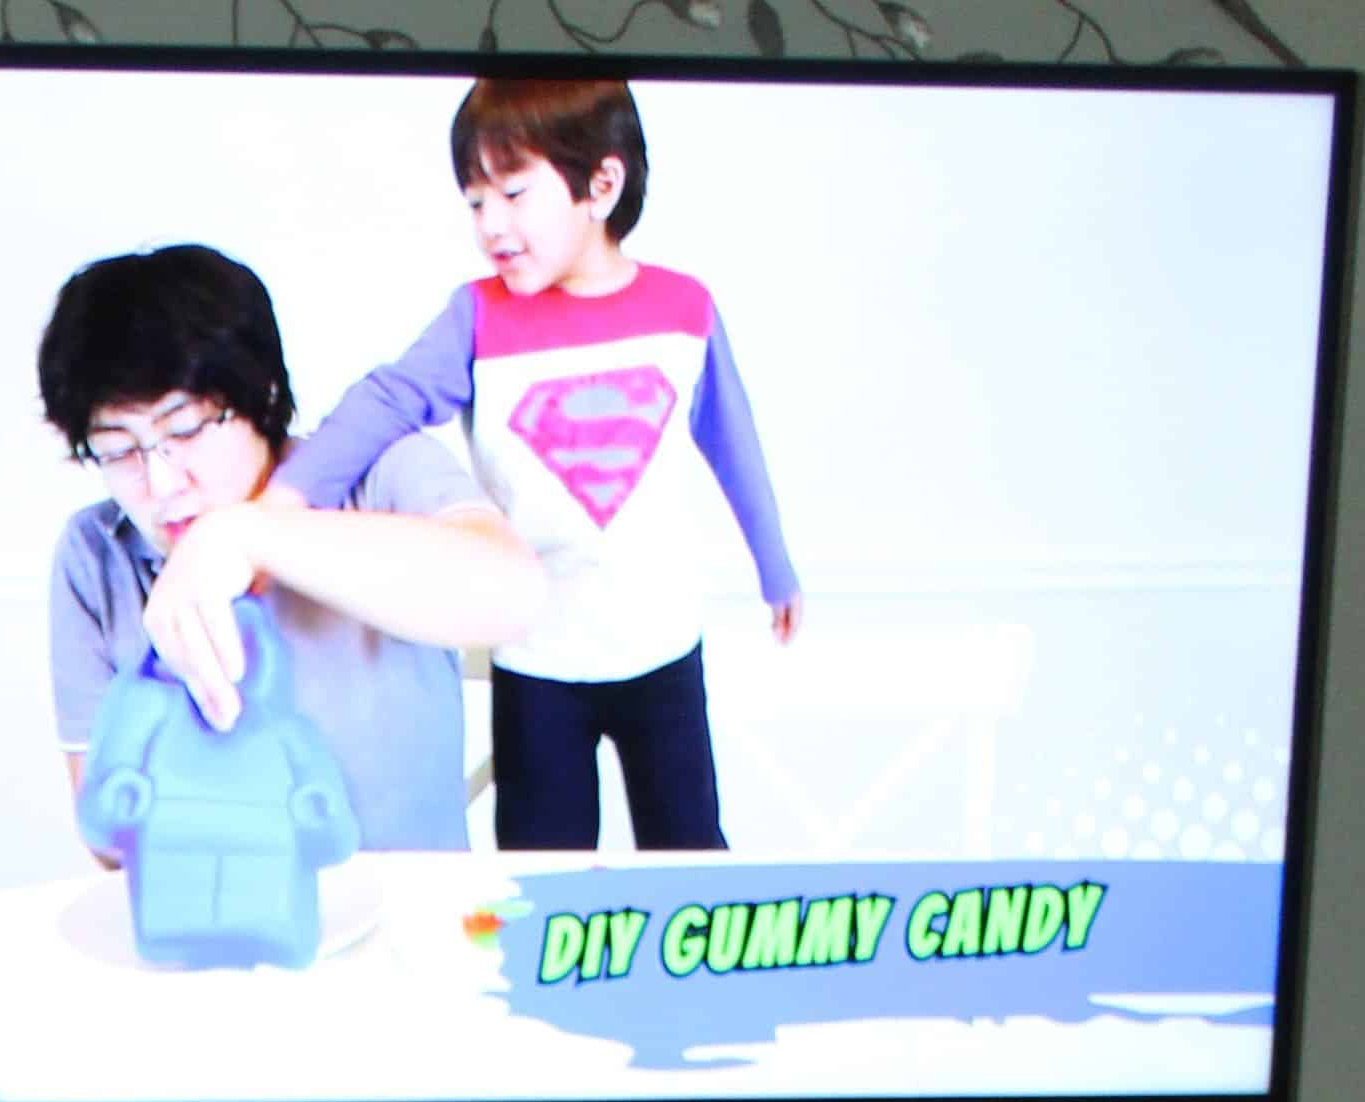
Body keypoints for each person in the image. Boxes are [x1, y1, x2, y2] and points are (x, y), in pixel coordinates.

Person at [247, 73, 803, 856]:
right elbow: (386, 401)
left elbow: (732, 439)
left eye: (512, 193)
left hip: (662, 647)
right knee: (538, 866)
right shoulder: (478, 318)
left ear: (601, 183)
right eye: (475, 202)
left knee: (690, 855)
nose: (490, 226)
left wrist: (774, 567)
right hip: (536, 659)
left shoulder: (685, 310)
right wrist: (284, 504)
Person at [39, 242, 537, 857]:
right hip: (212, 926)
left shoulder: (376, 472)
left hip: (410, 916)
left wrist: (247, 534)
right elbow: (110, 846)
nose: (162, 485)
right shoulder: (95, 556)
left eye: (186, 430)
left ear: (264, 397)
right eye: (118, 450)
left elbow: (513, 595)